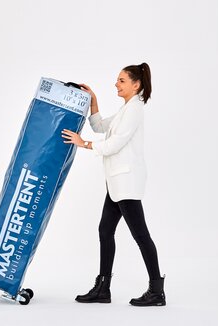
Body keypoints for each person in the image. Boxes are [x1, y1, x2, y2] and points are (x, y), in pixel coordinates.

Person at [61, 62, 166, 307]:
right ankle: (103, 288)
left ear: (136, 84)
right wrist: (93, 101)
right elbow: (100, 127)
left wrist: (83, 143)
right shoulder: (126, 109)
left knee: (141, 236)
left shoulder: (135, 110)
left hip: (126, 182)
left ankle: (156, 291)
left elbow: (114, 144)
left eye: (121, 81)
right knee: (105, 231)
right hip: (116, 183)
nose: (116, 85)